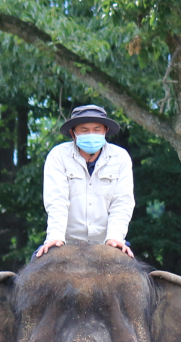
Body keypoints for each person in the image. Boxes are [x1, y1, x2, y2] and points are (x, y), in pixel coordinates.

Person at [37, 104, 135, 258]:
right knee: (33, 276)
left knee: (138, 279)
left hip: (108, 242)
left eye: (97, 130)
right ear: (73, 133)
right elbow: (57, 201)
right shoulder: (58, 156)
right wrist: (55, 237)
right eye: (84, 130)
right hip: (66, 242)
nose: (91, 134)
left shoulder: (121, 157)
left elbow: (122, 202)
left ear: (105, 131)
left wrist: (114, 238)